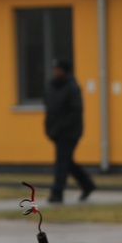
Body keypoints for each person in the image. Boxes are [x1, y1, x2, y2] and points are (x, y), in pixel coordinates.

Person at [44, 57, 95, 203]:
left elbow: (75, 111)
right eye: (54, 69)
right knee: (67, 161)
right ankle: (87, 185)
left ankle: (57, 193)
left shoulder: (72, 87)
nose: (55, 72)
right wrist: (49, 128)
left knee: (61, 162)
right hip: (56, 132)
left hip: (70, 132)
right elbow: (49, 109)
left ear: (64, 71)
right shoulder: (51, 86)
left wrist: (61, 127)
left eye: (58, 69)